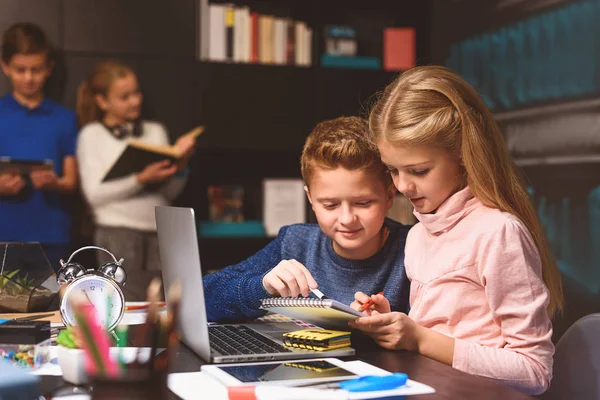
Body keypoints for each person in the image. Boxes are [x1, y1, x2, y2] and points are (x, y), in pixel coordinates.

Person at [349, 66, 564, 395]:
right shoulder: (419, 234)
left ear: (462, 156)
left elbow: (534, 371)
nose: (403, 186)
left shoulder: (498, 233)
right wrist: (395, 324)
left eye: (419, 170)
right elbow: (449, 333)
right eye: (392, 170)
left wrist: (419, 338)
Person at [204, 116, 411, 321]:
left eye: (363, 203)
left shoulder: (413, 249)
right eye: (330, 205)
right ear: (310, 199)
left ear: (390, 196)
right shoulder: (295, 243)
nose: (347, 219)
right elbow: (204, 295)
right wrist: (263, 286)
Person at [76, 60, 195, 300]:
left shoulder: (155, 131)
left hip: (158, 231)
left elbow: (169, 193)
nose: (135, 101)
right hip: (117, 233)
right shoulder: (92, 135)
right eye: (124, 96)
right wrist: (140, 179)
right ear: (102, 101)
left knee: (162, 308)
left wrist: (181, 167)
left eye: (136, 93)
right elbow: (94, 195)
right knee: (124, 304)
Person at [0, 22, 78, 271]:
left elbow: (71, 181)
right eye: (20, 69)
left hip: (52, 237)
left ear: (49, 68)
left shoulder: (64, 118)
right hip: (4, 236)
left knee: (54, 307)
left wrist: (54, 183)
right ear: (5, 67)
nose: (29, 78)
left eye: (36, 69)